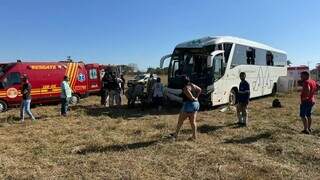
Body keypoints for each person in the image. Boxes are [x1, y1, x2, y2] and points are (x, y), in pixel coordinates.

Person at [173, 76, 201, 140]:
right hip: (196, 105)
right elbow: (200, 90)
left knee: (180, 121)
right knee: (193, 122)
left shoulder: (185, 88)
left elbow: (191, 97)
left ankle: (176, 135)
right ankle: (194, 136)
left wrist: (193, 98)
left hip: (188, 105)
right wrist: (197, 97)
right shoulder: (192, 85)